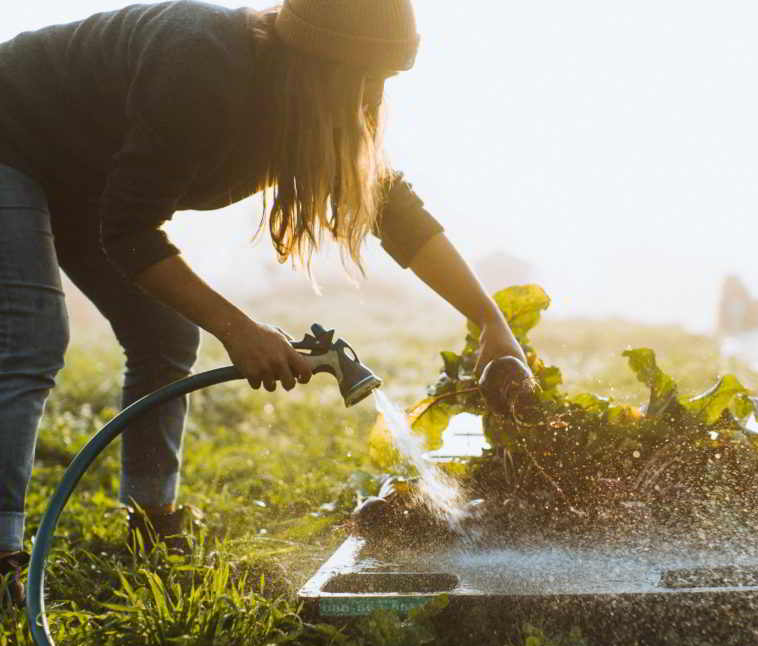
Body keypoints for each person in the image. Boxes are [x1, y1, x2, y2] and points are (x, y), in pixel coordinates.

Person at [0, 0, 527, 607]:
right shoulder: (201, 65)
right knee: (31, 340)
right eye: (363, 76)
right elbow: (129, 230)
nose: (371, 98)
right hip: (12, 135)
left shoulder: (317, 110)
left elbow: (398, 216)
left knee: (166, 340)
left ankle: (152, 524)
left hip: (85, 175)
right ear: (314, 60)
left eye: (385, 79)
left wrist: (490, 320)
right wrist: (238, 328)